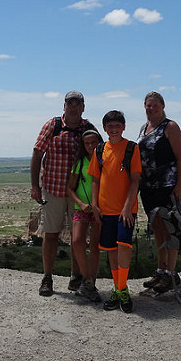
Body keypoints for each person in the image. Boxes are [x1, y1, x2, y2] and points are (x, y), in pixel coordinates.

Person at [31, 91, 96, 296]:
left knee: (78, 238)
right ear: (64, 106)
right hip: (54, 189)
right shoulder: (53, 125)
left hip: (79, 194)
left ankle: (75, 277)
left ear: (83, 107)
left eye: (78, 104)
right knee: (51, 235)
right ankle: (47, 278)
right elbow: (37, 153)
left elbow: (99, 157)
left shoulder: (88, 129)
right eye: (70, 103)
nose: (74, 107)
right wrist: (35, 186)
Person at [88, 110, 141, 313]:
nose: (114, 129)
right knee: (111, 250)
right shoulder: (100, 150)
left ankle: (120, 288)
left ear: (124, 127)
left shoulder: (131, 149)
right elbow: (94, 179)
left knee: (124, 246)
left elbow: (135, 179)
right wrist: (94, 204)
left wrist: (127, 207)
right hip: (105, 209)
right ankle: (120, 289)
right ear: (105, 129)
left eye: (118, 125)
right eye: (110, 126)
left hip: (125, 209)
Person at [137, 91, 181, 293]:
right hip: (148, 188)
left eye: (155, 105)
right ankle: (160, 270)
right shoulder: (144, 128)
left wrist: (178, 186)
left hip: (167, 186)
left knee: (171, 229)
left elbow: (180, 158)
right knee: (157, 228)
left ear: (163, 106)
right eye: (148, 105)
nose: (151, 108)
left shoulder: (171, 127)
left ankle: (171, 273)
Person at [67, 129, 103, 303]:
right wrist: (81, 204)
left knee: (95, 246)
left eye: (93, 142)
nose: (90, 146)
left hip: (99, 210)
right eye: (87, 143)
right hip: (82, 208)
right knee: (77, 241)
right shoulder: (79, 163)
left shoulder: (105, 161)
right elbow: (70, 189)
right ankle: (87, 279)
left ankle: (90, 284)